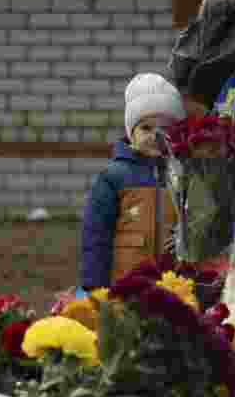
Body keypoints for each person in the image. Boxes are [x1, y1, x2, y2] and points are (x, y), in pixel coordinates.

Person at [79, 73, 186, 294]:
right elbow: (96, 236)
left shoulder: (182, 175)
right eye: (146, 128)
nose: (155, 136)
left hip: (173, 288)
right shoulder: (114, 177)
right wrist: (95, 287)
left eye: (164, 129)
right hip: (124, 287)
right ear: (131, 133)